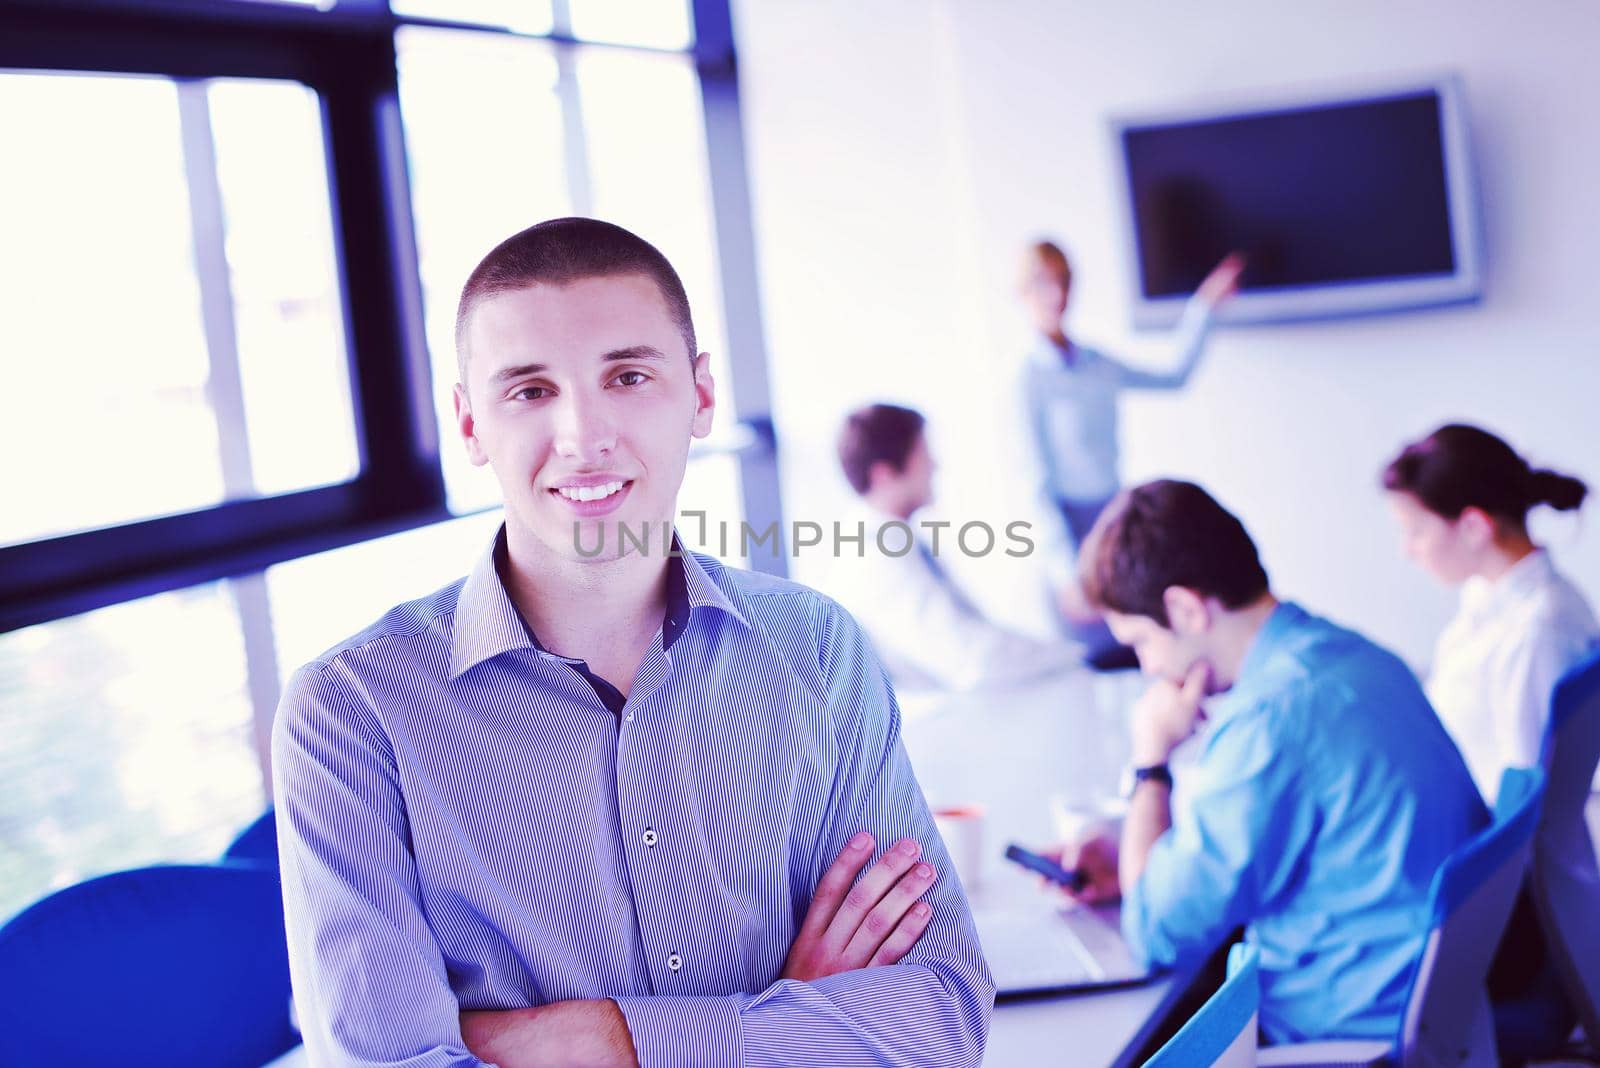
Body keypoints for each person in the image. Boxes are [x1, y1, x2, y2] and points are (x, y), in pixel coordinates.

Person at [272, 218, 993, 1067]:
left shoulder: (815, 648)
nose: (584, 436)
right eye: (530, 391)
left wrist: (612, 1041)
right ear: (470, 426)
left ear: (701, 397)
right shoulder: (352, 713)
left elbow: (942, 1015)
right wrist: (778, 1024)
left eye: (628, 375)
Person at [1053, 479, 1485, 1044]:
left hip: (1340, 1032)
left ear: (1185, 608)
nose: (1149, 668)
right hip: (1431, 1009)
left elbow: (1158, 931)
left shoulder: (1270, 721)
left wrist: (1150, 760)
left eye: (1140, 642)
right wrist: (1134, 850)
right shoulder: (1347, 654)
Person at [1018, 241, 1245, 630]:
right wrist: (1066, 573)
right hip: (1067, 541)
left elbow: (1174, 375)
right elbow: (1032, 483)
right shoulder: (1025, 380)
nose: (1057, 295)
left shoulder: (1096, 364)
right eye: (1044, 284)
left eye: (1063, 282)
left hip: (1111, 521)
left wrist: (1204, 307)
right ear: (1023, 291)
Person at [1383, 423, 1598, 805]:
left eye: (1415, 531)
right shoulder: (1487, 595)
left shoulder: (1536, 632)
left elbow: (1523, 807)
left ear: (1473, 526)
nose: (1406, 550)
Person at [827, 402, 1081, 691]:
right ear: (883, 473)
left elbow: (976, 634)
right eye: (923, 455)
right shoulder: (874, 559)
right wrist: (1072, 655)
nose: (935, 465)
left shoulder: (895, 542)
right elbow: (974, 660)